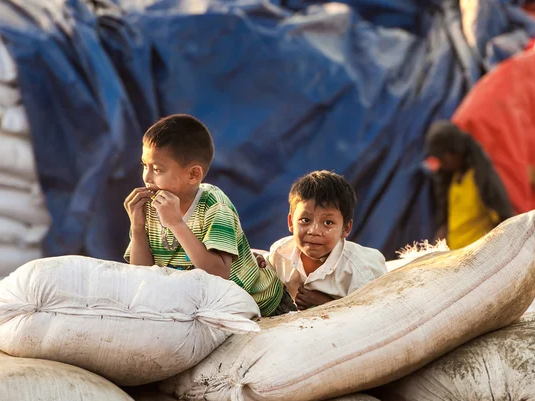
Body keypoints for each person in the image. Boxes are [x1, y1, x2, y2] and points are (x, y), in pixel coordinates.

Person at [123, 114, 283, 316]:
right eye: (145, 166)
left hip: (257, 302)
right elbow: (142, 274)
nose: (147, 177)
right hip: (199, 303)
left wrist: (176, 223)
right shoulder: (150, 208)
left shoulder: (214, 205)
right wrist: (137, 228)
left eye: (157, 169)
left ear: (193, 175)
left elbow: (219, 274)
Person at [257, 170, 387, 311]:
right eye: (305, 220)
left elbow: (375, 315)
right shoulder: (280, 253)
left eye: (328, 223)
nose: (314, 231)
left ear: (346, 228)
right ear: (291, 222)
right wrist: (256, 266)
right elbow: (264, 280)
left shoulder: (360, 270)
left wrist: (326, 304)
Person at [424, 120, 514, 250]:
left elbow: (503, 221)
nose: (441, 164)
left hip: (479, 255)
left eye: (443, 159)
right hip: (454, 256)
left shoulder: (480, 178)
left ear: (456, 150)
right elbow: (445, 221)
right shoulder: (450, 179)